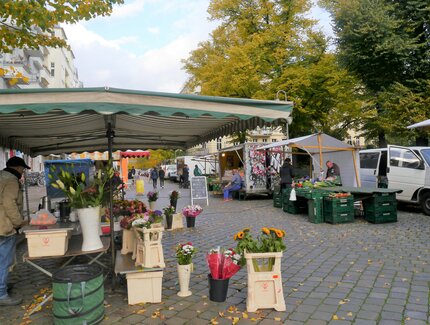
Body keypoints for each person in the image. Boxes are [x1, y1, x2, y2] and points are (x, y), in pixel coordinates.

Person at [0, 156, 30, 306]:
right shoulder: (11, 180)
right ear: (18, 168)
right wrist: (19, 223)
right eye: (23, 169)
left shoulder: (1, 176)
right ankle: (1, 294)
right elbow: (9, 204)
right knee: (4, 261)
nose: (23, 171)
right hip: (3, 226)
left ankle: (1, 286)